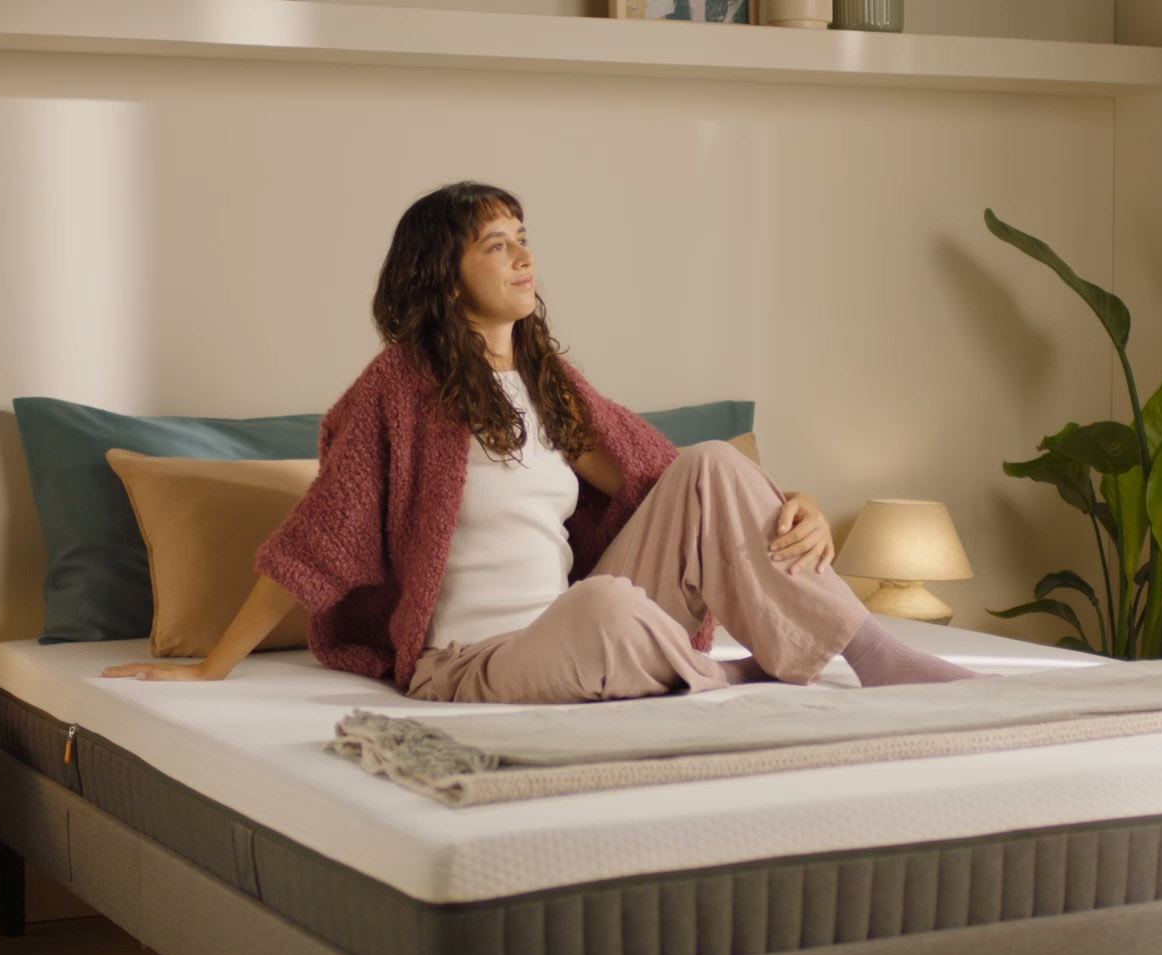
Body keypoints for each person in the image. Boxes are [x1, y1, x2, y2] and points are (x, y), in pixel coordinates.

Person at [102, 181, 979, 702]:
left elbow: (679, 488)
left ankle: (871, 654)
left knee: (714, 462)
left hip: (591, 625)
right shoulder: (397, 390)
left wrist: (802, 505)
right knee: (604, 610)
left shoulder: (548, 378)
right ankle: (739, 677)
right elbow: (315, 546)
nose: (525, 259)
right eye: (497, 246)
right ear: (444, 278)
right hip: (475, 661)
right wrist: (209, 670)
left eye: (525, 241)